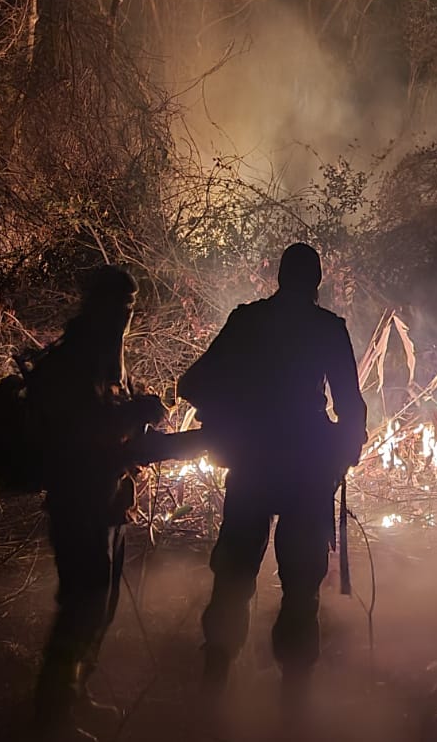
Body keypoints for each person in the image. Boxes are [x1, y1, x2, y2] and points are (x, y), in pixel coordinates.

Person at [177, 243, 367, 712]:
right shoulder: (327, 328)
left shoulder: (248, 321)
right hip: (305, 468)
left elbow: (192, 383)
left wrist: (233, 412)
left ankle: (213, 684)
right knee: (301, 586)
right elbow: (351, 406)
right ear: (316, 283)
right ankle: (293, 701)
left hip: (255, 460)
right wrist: (343, 452)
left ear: (279, 278)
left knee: (234, 576)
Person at [27, 266, 165, 737]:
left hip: (108, 502)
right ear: (98, 303)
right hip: (79, 504)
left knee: (99, 610)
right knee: (81, 609)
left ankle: (75, 696)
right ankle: (52, 715)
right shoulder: (73, 361)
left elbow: (111, 424)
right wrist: (137, 412)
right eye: (120, 305)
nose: (127, 317)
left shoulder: (109, 356)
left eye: (132, 307)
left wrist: (141, 419)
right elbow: (83, 430)